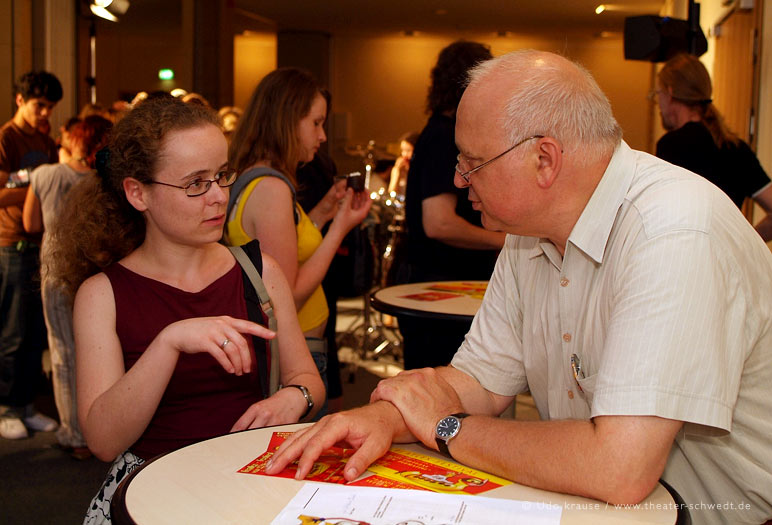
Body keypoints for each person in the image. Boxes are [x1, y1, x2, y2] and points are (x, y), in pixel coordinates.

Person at [267, 50, 772, 525]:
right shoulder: (529, 233)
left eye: (473, 162)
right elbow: (480, 381)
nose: (459, 180)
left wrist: (448, 427)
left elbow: (619, 468)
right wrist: (385, 416)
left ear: (544, 159)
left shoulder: (673, 231)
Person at [44, 97, 323, 524]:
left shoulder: (259, 271)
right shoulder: (103, 295)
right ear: (138, 193)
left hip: (252, 483)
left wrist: (294, 397)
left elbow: (308, 379)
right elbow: (102, 440)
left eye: (222, 175)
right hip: (154, 492)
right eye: (195, 184)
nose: (219, 197)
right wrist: (168, 343)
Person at [224, 67, 371, 415]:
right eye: (316, 123)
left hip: (295, 346)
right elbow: (288, 294)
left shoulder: (255, 177)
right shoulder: (271, 188)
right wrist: (340, 229)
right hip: (296, 353)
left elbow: (281, 249)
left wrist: (324, 213)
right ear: (288, 121)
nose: (322, 136)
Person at [398, 41, 505, 370]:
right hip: (439, 285)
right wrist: (503, 241)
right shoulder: (444, 137)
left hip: (443, 282)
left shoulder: (439, 132)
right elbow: (439, 223)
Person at [22, 115, 113, 459]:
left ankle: (75, 433)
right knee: (100, 349)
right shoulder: (103, 181)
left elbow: (31, 223)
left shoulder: (44, 175)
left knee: (63, 351)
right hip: (96, 265)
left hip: (57, 266)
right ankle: (99, 430)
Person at [0, 70, 62, 440]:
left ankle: (25, 405)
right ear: (20, 100)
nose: (45, 113)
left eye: (50, 107)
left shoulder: (44, 140)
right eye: (39, 105)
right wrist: (38, 189)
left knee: (36, 332)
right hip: (12, 243)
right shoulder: (6, 137)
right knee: (13, 331)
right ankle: (7, 407)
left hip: (41, 243)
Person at [655, 52, 772, 241]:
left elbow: (659, 215)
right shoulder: (737, 148)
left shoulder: (670, 146)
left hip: (685, 254)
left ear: (670, 93)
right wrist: (743, 244)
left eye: (658, 94)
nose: (658, 103)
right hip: (725, 259)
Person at [387, 131, 419, 196]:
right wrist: (397, 172)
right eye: (402, 150)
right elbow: (391, 193)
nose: (404, 154)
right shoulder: (398, 169)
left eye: (408, 150)